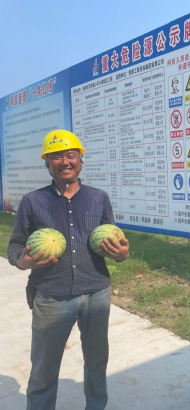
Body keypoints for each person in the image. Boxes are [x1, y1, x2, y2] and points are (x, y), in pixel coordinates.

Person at [8, 129, 130, 410]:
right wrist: (24, 262)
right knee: (44, 369)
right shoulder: (32, 201)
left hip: (97, 292)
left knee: (97, 363)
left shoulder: (99, 197)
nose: (64, 161)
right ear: (47, 162)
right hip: (52, 295)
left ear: (80, 159)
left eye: (70, 155)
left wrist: (122, 255)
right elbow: (15, 246)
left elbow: (112, 239)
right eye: (56, 157)